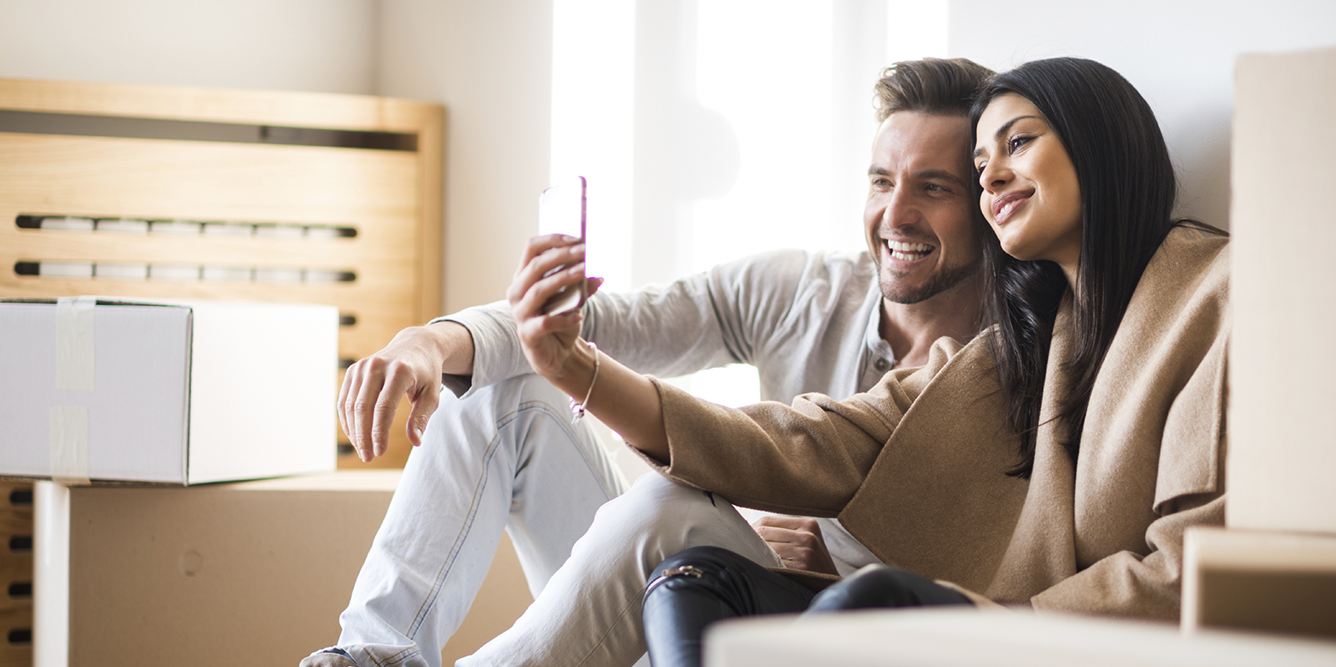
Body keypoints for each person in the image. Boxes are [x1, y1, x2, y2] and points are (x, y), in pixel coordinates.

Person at [505, 57, 1228, 666]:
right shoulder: (1020, 343)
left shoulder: (1210, 293)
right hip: (987, 618)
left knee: (872, 598)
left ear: (1098, 144)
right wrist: (578, 371)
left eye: (1018, 144)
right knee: (693, 581)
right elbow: (815, 438)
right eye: (981, 165)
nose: (993, 179)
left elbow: (1189, 572)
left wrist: (1005, 615)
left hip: (1050, 633)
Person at [305, 57, 994, 667]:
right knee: (501, 391)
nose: (895, 213)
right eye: (881, 181)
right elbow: (600, 326)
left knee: (674, 502)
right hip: (686, 597)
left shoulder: (1007, 364)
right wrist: (427, 342)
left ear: (989, 201)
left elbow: (986, 571)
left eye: (933, 188)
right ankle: (368, 656)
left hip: (814, 627)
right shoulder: (804, 294)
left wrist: (839, 560)